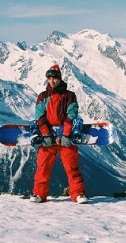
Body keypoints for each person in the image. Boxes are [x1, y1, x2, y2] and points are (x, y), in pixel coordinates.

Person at [30, 65, 88, 204]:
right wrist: (45, 134)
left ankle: (78, 194)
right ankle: (39, 194)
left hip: (64, 136)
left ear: (59, 78)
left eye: (54, 77)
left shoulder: (69, 96)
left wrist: (67, 134)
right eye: (49, 78)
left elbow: (71, 114)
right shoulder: (43, 97)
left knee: (71, 166)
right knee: (43, 167)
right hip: (48, 136)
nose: (52, 80)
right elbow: (40, 116)